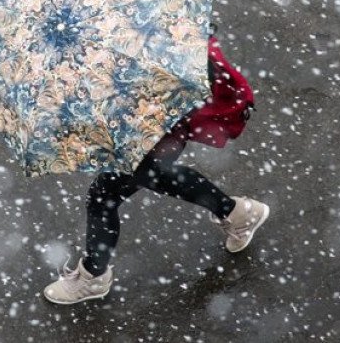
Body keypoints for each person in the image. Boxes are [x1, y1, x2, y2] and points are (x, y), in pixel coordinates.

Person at [43, 23, 269, 304]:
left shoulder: (151, 42)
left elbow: (154, 80)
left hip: (153, 126)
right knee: (155, 177)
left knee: (105, 195)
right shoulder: (140, 16)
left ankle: (93, 277)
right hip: (154, 122)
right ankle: (238, 213)